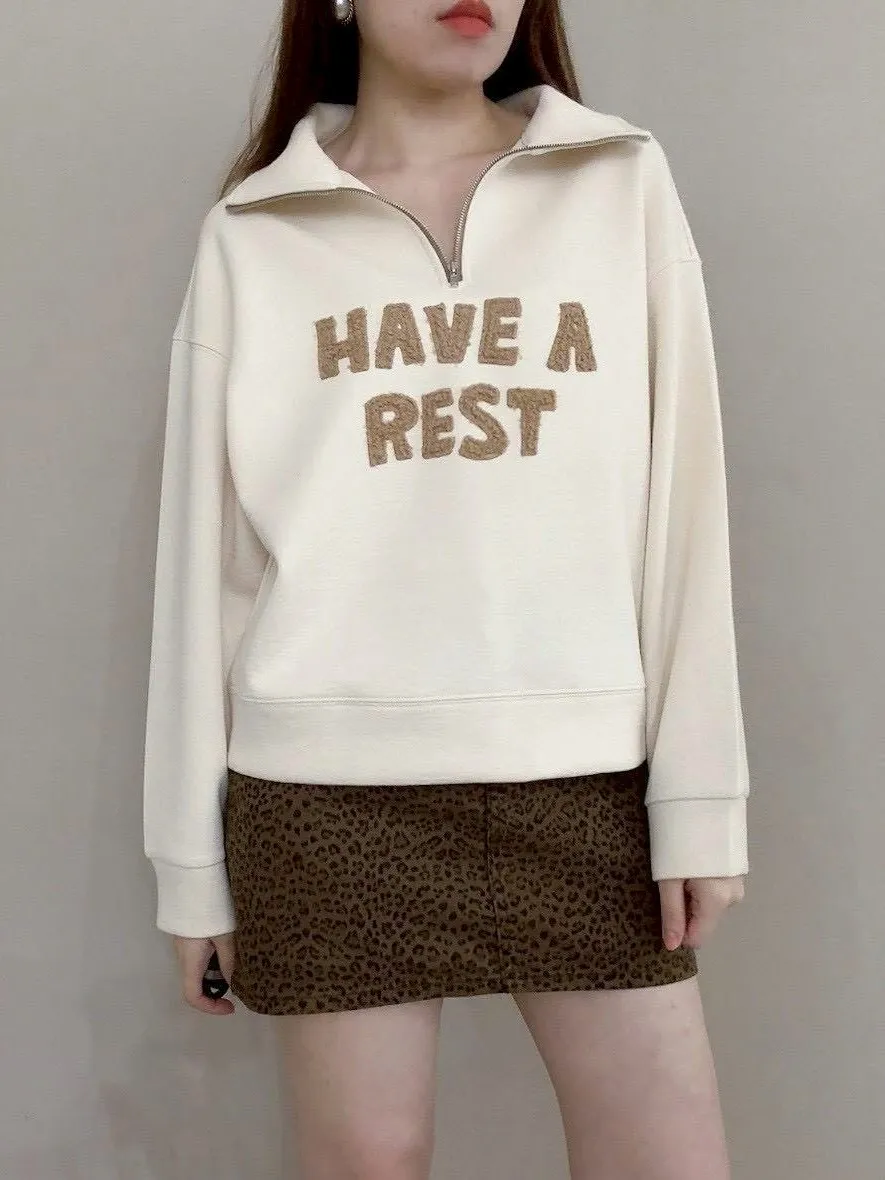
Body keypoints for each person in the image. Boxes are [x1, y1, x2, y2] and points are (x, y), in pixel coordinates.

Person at [142, 0, 750, 1176]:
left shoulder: (617, 181)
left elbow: (686, 500)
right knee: (368, 1161)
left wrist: (701, 798)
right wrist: (190, 870)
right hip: (326, 800)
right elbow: (205, 564)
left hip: (587, 780)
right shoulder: (256, 232)